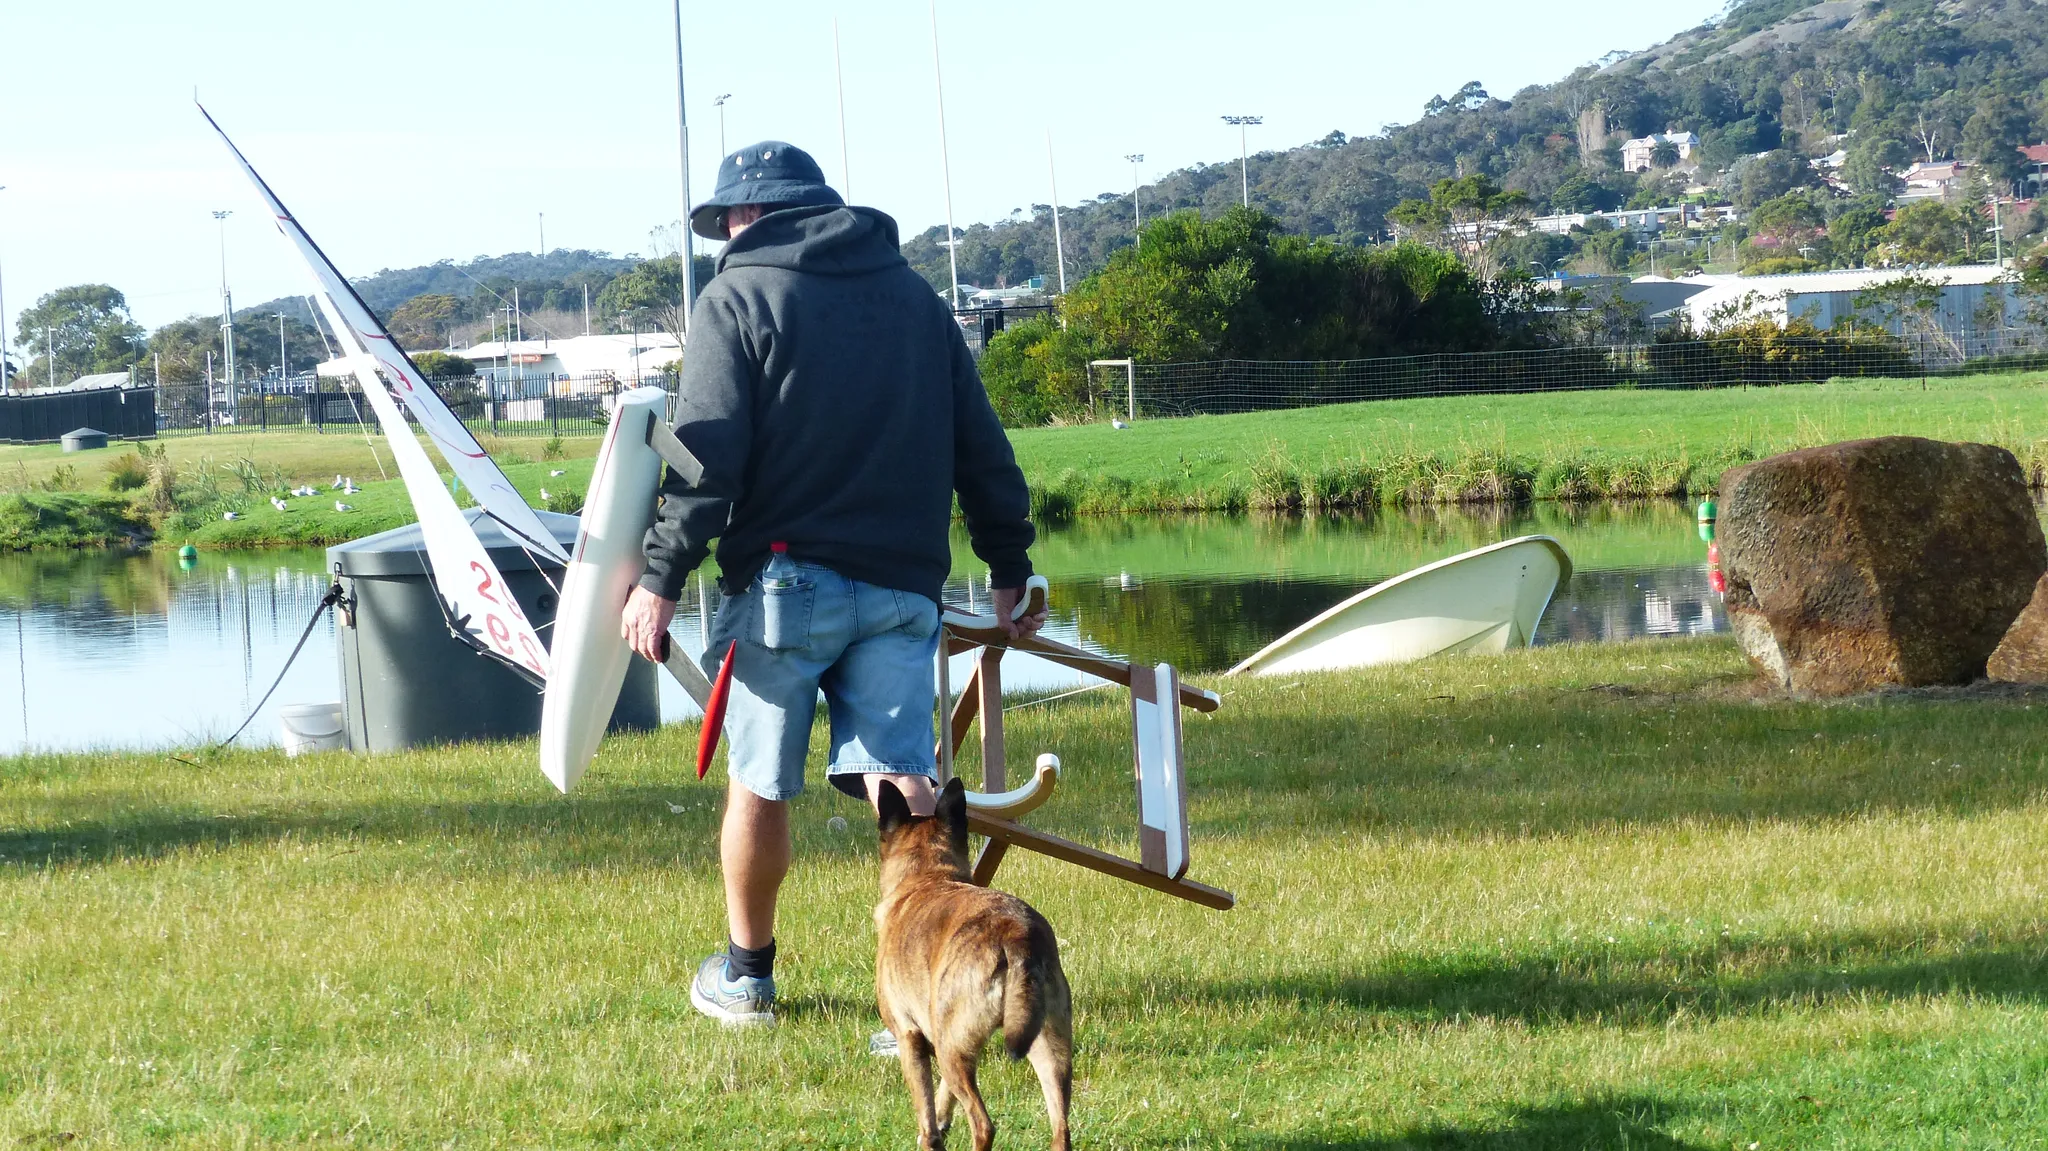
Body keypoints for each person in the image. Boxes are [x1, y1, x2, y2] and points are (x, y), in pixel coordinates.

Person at [620, 140, 1043, 1028]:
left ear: (745, 216)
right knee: (906, 782)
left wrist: (659, 577)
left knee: (761, 783)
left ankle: (747, 976)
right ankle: (928, 997)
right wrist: (1010, 564)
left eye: (727, 220)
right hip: (902, 588)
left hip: (783, 587)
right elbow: (983, 447)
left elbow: (704, 461)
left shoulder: (735, 297)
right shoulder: (917, 301)